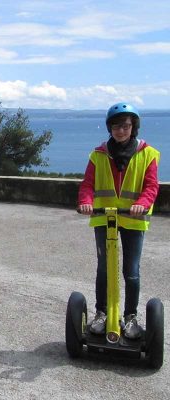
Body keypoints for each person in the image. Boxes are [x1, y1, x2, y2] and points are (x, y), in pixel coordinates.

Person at [78, 102, 160, 339]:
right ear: (109, 128)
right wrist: (86, 201)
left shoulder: (147, 154)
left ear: (133, 127)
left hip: (133, 219)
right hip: (104, 218)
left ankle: (130, 317)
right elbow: (87, 184)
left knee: (131, 271)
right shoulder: (98, 154)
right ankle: (102, 313)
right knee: (104, 268)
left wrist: (142, 204)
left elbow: (151, 186)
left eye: (125, 126)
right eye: (116, 126)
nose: (120, 130)